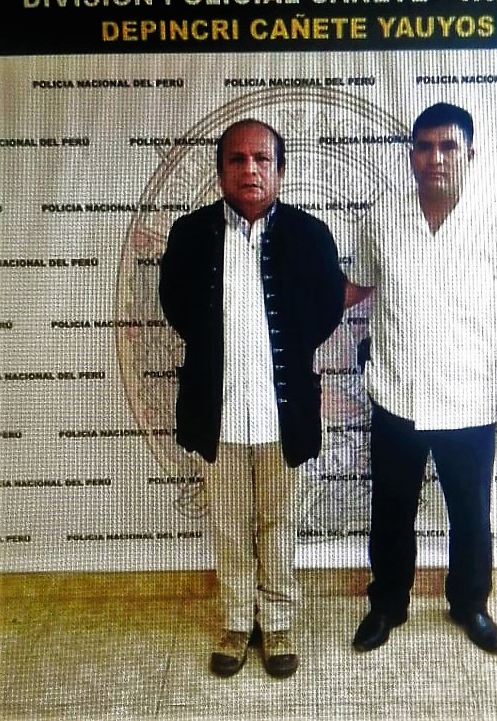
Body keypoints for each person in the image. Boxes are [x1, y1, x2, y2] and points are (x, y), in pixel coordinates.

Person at [345, 102, 497, 655]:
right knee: (391, 513)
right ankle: (387, 604)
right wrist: (297, 298)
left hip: (469, 401)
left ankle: (470, 604)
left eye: (448, 146)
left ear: (469, 154)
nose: (436, 158)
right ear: (411, 156)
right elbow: (357, 288)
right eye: (425, 147)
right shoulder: (383, 218)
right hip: (396, 397)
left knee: (471, 516)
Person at [159, 119, 344, 679]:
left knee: (279, 523)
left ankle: (279, 622)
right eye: (236, 160)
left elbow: (326, 309)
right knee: (229, 525)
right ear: (220, 172)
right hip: (217, 414)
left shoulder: (310, 235)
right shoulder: (190, 235)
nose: (250, 170)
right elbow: (175, 306)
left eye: (262, 159)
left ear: (280, 171)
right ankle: (238, 623)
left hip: (282, 413)